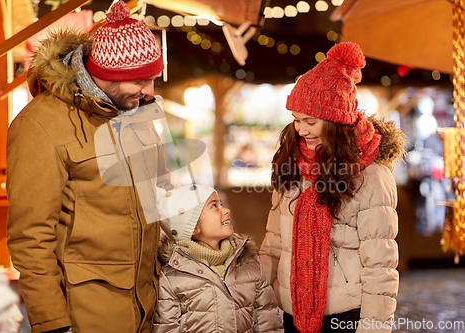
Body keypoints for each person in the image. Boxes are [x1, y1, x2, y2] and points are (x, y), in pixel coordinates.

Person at [6, 2, 173, 333]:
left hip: (150, 310)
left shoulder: (137, 113)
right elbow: (30, 238)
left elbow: (160, 197)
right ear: (107, 76)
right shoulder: (40, 124)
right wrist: (53, 325)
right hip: (87, 316)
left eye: (153, 79)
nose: (149, 91)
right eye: (140, 80)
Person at [259, 42, 406, 333]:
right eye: (297, 120)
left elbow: (380, 266)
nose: (301, 130)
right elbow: (273, 242)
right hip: (290, 312)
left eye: (310, 121)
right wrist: (260, 304)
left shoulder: (371, 176)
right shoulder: (293, 165)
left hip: (345, 317)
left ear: (335, 121)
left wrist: (374, 328)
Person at [153, 184, 284, 333]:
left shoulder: (249, 266)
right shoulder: (171, 278)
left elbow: (269, 324)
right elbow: (166, 328)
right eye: (214, 206)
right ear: (193, 227)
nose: (226, 210)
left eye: (221, 203)